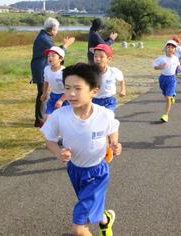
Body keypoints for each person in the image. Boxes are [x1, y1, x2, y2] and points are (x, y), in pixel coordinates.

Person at [41, 63, 122, 236]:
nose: (71, 93)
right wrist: (58, 152)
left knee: (79, 228)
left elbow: (113, 128)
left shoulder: (104, 114)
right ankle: (105, 220)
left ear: (94, 91)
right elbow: (49, 140)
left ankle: (90, 224)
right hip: (75, 170)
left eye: (78, 88)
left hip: (98, 172)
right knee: (89, 205)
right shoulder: (59, 116)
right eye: (67, 88)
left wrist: (114, 143)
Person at [31, 17, 75, 127]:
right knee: (42, 94)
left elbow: (53, 50)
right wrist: (65, 45)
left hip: (41, 67)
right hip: (41, 68)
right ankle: (40, 120)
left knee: (43, 94)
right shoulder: (44, 38)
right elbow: (55, 52)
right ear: (53, 28)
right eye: (57, 29)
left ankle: (42, 118)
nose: (57, 31)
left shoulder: (45, 36)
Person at [153, 40, 181, 122]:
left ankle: (165, 115)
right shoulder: (161, 58)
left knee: (167, 97)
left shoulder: (175, 58)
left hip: (172, 79)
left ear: (175, 50)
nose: (170, 49)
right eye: (168, 47)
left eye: (172, 48)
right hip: (162, 78)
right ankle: (173, 95)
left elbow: (178, 65)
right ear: (165, 48)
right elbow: (155, 67)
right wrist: (161, 67)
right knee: (165, 94)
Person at [92, 44, 126, 112]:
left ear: (108, 59)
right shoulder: (90, 72)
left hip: (109, 101)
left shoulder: (113, 71)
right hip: (94, 100)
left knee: (108, 117)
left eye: (101, 57)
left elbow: (121, 79)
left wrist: (123, 90)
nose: (98, 59)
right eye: (95, 56)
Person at [41, 46, 69, 121]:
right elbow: (46, 81)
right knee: (47, 118)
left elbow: (69, 89)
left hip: (65, 97)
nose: (50, 58)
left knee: (64, 120)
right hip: (53, 96)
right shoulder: (46, 69)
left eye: (53, 55)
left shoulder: (64, 72)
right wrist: (44, 93)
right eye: (48, 56)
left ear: (61, 59)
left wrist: (61, 100)